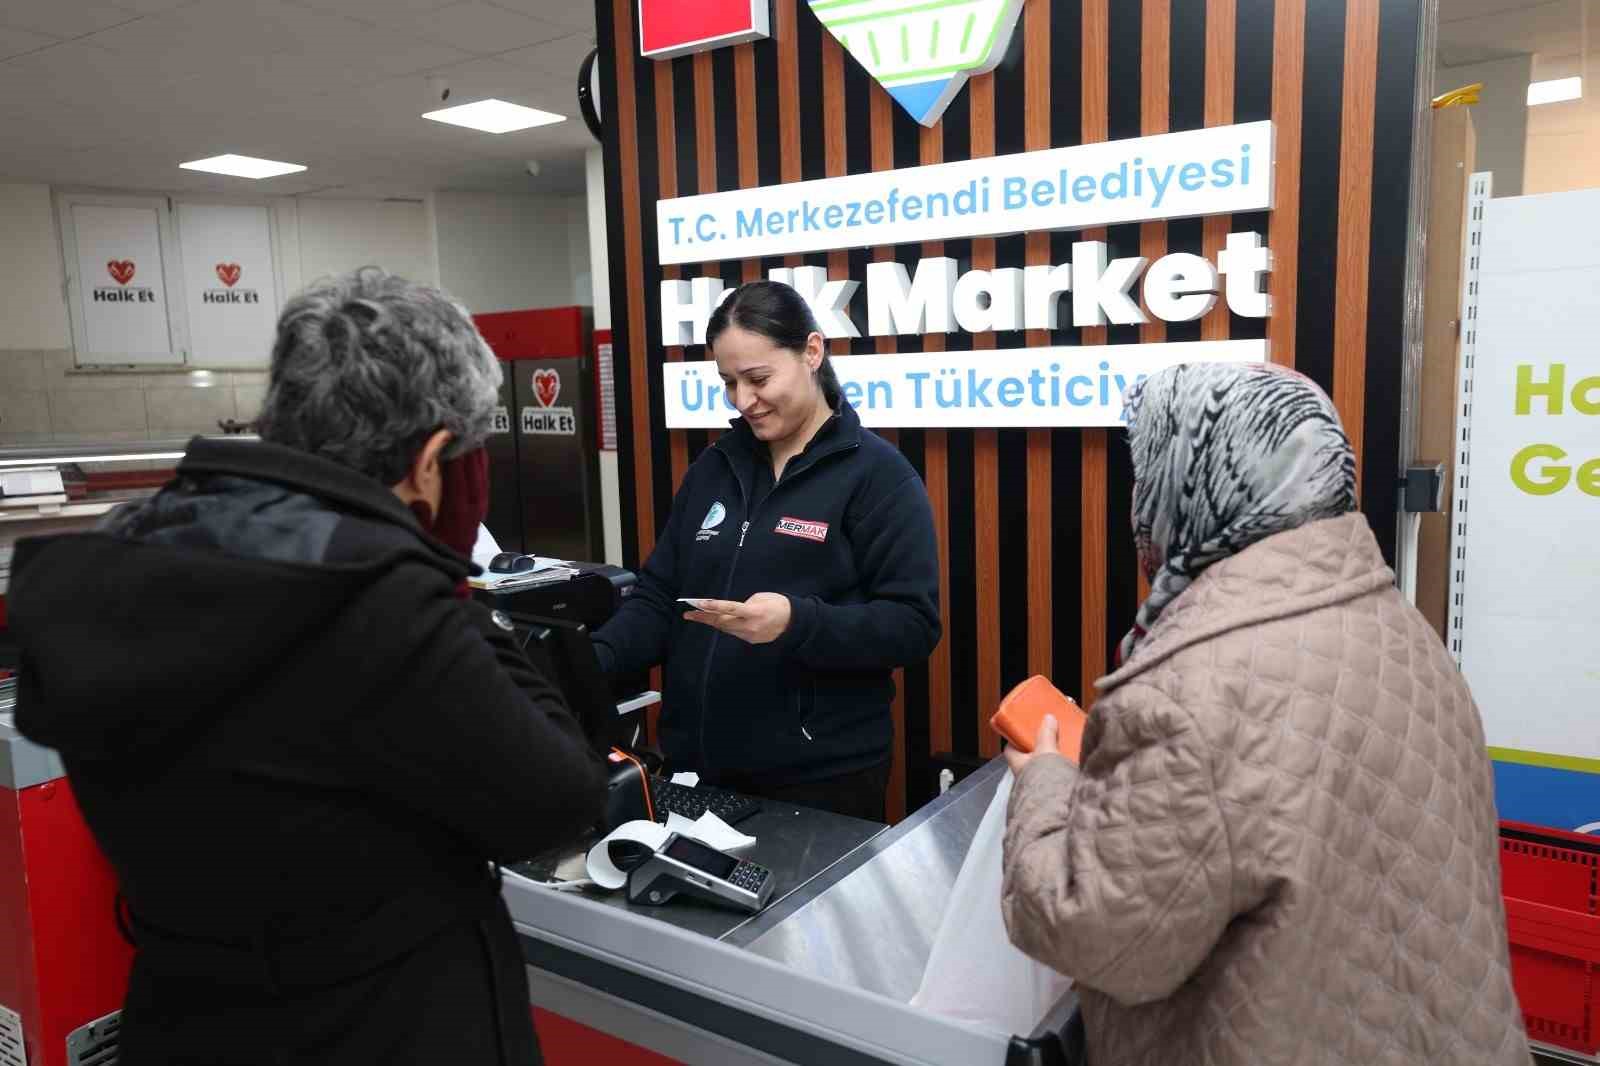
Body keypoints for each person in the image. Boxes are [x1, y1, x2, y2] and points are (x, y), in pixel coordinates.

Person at [7, 268, 606, 1066]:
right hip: (383, 1028)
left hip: (183, 1019)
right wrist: (449, 581)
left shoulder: (127, 557)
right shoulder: (382, 601)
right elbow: (558, 800)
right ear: (432, 461)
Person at [1000, 362, 1528, 1066]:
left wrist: (1045, 783)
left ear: (1193, 481)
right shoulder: (1396, 626)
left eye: (1149, 470)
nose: (1138, 502)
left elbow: (1097, 935)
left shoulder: (1187, 693)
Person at [593, 280, 940, 821]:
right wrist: (590, 661)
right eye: (728, 382)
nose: (742, 400)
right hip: (698, 770)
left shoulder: (878, 477)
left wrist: (796, 622)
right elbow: (662, 598)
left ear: (812, 352)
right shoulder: (714, 468)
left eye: (758, 379)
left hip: (819, 780)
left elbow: (912, 625)